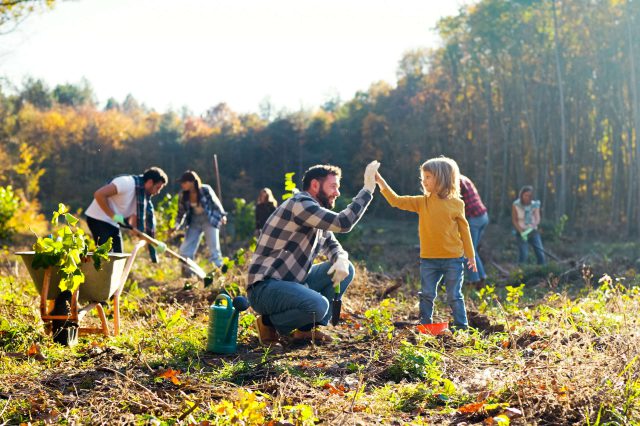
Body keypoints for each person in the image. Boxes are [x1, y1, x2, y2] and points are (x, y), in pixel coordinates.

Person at [247, 161, 380, 345]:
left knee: (346, 267)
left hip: (291, 284)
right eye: (333, 186)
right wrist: (367, 189)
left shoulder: (315, 215)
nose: (337, 192)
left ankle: (304, 330)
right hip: (265, 289)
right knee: (319, 305)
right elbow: (343, 223)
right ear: (315, 185)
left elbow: (333, 245)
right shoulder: (300, 204)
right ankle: (267, 323)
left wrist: (341, 258)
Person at [376, 156, 475, 330]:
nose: (424, 180)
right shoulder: (422, 202)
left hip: (453, 259)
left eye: (428, 176)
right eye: (423, 176)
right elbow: (396, 201)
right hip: (429, 259)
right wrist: (381, 182)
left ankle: (462, 327)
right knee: (427, 294)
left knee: (454, 295)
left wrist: (471, 256)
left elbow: (464, 231)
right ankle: (425, 325)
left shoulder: (457, 204)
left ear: (442, 178)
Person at [85, 167, 168, 261]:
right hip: (97, 218)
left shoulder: (142, 199)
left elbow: (134, 222)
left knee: (118, 256)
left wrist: (138, 233)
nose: (158, 192)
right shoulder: (126, 183)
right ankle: (98, 274)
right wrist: (112, 215)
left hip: (113, 223)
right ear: (150, 182)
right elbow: (99, 194)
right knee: (107, 257)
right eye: (158, 188)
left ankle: (113, 275)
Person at [174, 170, 227, 269]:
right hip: (194, 221)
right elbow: (181, 211)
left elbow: (216, 203)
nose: (182, 185)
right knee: (185, 248)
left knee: (214, 248)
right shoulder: (183, 195)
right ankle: (188, 270)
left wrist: (222, 215)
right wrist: (177, 224)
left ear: (192, 182)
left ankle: (218, 271)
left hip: (209, 220)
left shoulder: (205, 189)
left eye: (184, 182)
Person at [459, 175, 489, 287]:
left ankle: (475, 280)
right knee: (472, 250)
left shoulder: (456, 182)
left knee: (468, 250)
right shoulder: (463, 178)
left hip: (474, 219)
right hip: (482, 216)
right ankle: (481, 277)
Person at [512, 185, 546, 265]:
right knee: (524, 255)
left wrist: (532, 226)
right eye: (525, 195)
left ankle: (542, 271)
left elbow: (537, 218)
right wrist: (521, 231)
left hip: (533, 231)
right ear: (522, 195)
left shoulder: (535, 204)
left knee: (540, 253)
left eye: (529, 195)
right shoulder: (516, 205)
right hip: (521, 232)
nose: (527, 197)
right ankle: (520, 273)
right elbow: (514, 220)